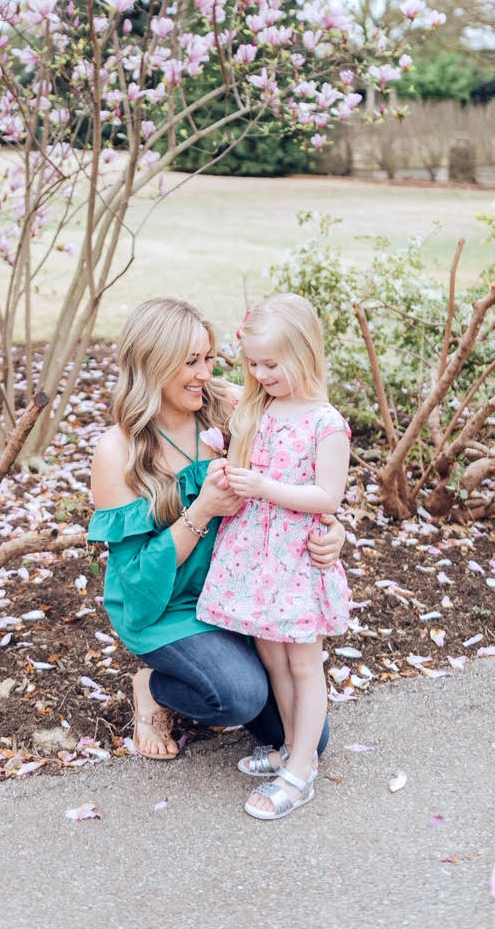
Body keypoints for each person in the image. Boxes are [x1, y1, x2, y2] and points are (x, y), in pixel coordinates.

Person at [88, 297, 346, 767]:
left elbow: (304, 473)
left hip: (238, 591)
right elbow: (138, 589)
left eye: (208, 357)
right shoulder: (117, 452)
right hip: (166, 608)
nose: (205, 373)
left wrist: (333, 530)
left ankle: (216, 672)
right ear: (152, 363)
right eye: (190, 362)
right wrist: (202, 510)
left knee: (309, 739)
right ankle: (154, 687)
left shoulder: (232, 409)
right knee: (238, 697)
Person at [196, 292, 350, 820]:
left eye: (271, 364)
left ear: (305, 353)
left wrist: (264, 485)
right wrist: (230, 475)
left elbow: (327, 496)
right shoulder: (255, 407)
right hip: (252, 558)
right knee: (272, 656)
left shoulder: (325, 422)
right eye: (253, 364)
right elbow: (242, 462)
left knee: (304, 662)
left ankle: (301, 771)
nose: (261, 374)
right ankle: (288, 746)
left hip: (295, 559)